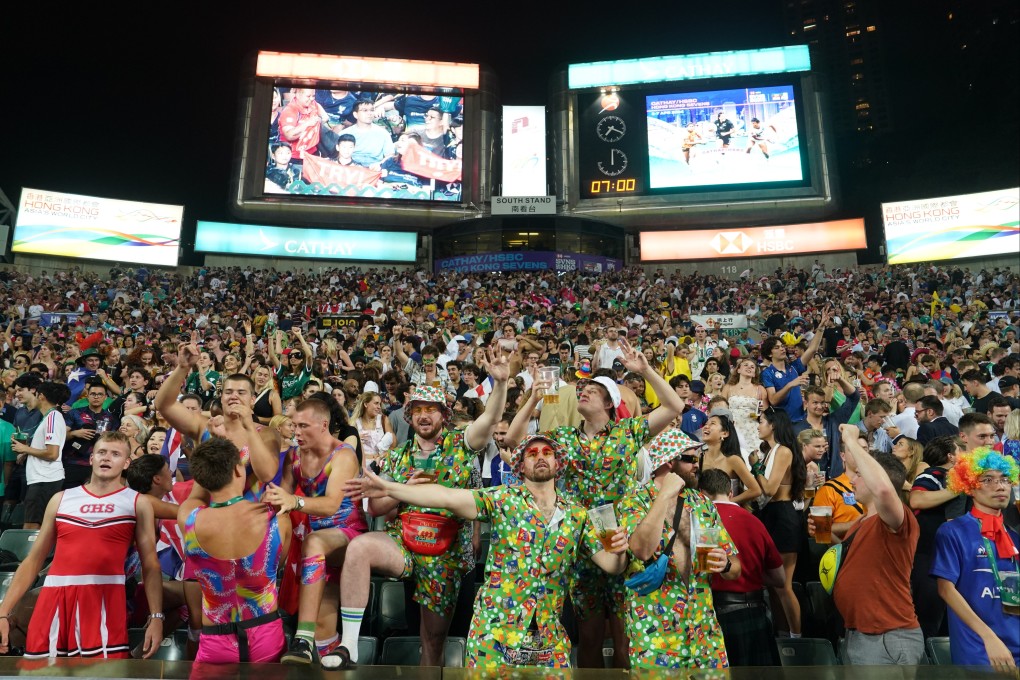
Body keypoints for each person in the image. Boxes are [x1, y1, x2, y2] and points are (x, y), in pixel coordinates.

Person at [345, 433, 628, 668]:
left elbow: (611, 566)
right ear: (520, 466)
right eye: (532, 453)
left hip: (547, 639)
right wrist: (389, 487)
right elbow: (444, 496)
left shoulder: (578, 515)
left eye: (547, 452)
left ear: (558, 462)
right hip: (495, 633)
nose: (540, 456)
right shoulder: (502, 499)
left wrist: (620, 551)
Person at [504, 337, 684, 668]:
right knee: (587, 635)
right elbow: (514, 439)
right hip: (584, 542)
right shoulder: (564, 437)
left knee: (624, 636)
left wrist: (646, 371)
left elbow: (675, 407)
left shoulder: (627, 432)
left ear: (609, 403)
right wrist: (533, 400)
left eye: (593, 390)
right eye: (581, 389)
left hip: (624, 539)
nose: (582, 391)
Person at [326, 349, 510, 669]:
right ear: (409, 415)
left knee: (433, 641)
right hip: (406, 544)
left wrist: (501, 383)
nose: (424, 415)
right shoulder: (398, 457)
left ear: (443, 415)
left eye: (431, 410)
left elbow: (490, 420)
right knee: (359, 548)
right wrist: (403, 491)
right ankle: (350, 646)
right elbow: (377, 507)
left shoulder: (460, 445)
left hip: (447, 554)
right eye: (418, 410)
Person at [0, 432, 164, 659]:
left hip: (105, 602)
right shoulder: (61, 499)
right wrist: (3, 612)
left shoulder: (137, 502)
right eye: (101, 452)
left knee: (102, 674)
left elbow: (151, 565)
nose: (107, 458)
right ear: (91, 459)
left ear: (127, 463)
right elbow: (34, 560)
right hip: (54, 600)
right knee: (44, 675)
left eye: (115, 454)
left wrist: (156, 617)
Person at [617, 427, 740, 669]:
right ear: (668, 462)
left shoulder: (703, 503)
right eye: (690, 459)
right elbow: (641, 550)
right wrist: (664, 496)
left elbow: (736, 568)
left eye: (698, 459)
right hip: (655, 635)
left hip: (705, 634)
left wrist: (725, 564)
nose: (696, 465)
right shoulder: (635, 501)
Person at [267, 398, 366, 665]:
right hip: (319, 548)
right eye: (294, 426)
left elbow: (332, 504)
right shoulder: (293, 456)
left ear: (323, 425)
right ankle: (329, 658)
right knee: (323, 626)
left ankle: (302, 640)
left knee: (313, 541)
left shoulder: (343, 455)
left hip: (349, 535)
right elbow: (283, 499)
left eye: (303, 426)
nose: (296, 432)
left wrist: (295, 501)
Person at [180, 437, 292, 663]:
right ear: (238, 471)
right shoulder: (277, 519)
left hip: (215, 639)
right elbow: (276, 565)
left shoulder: (188, 518)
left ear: (200, 478)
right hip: (265, 634)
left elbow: (197, 493)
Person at [822, 424, 924, 665]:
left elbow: (884, 491)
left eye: (858, 475)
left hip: (887, 634)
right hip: (860, 631)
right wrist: (828, 535)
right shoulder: (861, 521)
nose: (853, 481)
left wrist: (851, 441)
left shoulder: (898, 518)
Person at [931, 447, 1019, 670]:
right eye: (987, 479)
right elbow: (946, 590)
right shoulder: (953, 531)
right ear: (969, 486)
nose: (999, 486)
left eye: (1005, 480)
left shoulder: (1015, 536)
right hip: (979, 648)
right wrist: (988, 638)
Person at [701, 468, 784, 667]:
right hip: (756, 613)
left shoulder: (700, 520)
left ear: (701, 494)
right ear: (730, 493)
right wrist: (751, 574)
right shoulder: (755, 521)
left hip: (716, 614)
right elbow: (780, 578)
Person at [751, 408, 805, 636]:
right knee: (773, 585)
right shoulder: (771, 451)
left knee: (783, 585)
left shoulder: (782, 451)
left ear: (773, 425)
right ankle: (782, 633)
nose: (758, 426)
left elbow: (770, 488)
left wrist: (754, 465)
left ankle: (797, 637)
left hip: (782, 516)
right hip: (770, 515)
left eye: (761, 421)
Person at [909, 436, 965, 638]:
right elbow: (916, 499)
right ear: (950, 456)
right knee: (929, 616)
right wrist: (957, 489)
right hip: (929, 554)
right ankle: (925, 664)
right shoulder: (932, 475)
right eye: (960, 450)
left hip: (951, 556)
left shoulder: (962, 478)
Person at [10, 381, 70, 529]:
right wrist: (27, 451)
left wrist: (25, 449)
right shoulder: (49, 417)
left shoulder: (53, 418)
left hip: (45, 480)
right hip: (42, 479)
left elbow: (52, 453)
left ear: (41, 396)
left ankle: (29, 553)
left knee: (31, 528)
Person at [761, 308, 830, 423]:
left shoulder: (794, 367)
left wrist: (821, 327)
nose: (782, 349)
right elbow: (773, 400)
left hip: (801, 420)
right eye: (777, 348)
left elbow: (812, 349)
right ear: (769, 353)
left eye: (782, 346)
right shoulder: (767, 373)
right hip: (782, 424)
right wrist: (790, 385)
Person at [720, 357, 768, 464]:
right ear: (738, 370)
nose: (749, 368)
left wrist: (759, 412)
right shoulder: (728, 387)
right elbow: (721, 410)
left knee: (754, 462)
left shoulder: (760, 389)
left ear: (755, 373)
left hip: (752, 431)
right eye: (745, 365)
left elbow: (764, 416)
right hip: (733, 429)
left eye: (752, 367)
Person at [343, 100, 395, 169]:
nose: (369, 113)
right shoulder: (345, 133)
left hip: (374, 169)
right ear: (355, 114)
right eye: (365, 110)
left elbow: (390, 156)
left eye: (372, 110)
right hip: (350, 168)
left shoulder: (383, 133)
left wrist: (379, 164)